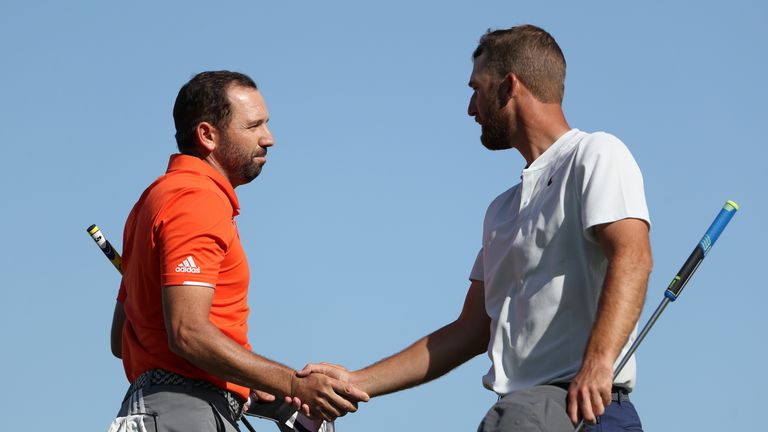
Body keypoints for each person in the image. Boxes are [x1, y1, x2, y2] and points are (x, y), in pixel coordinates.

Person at [299, 25, 652, 431]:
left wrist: (598, 362)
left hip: (585, 410)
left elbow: (633, 255)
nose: (471, 108)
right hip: (522, 414)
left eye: (477, 89)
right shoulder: (500, 211)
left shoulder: (595, 154)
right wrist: (356, 381)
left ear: (508, 87)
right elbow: (469, 330)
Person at [107, 71, 368, 432]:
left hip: (174, 408)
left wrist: (248, 380)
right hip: (183, 414)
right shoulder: (195, 199)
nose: (269, 138)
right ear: (207, 135)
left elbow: (122, 338)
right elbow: (187, 332)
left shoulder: (156, 199)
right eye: (253, 126)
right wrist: (292, 384)